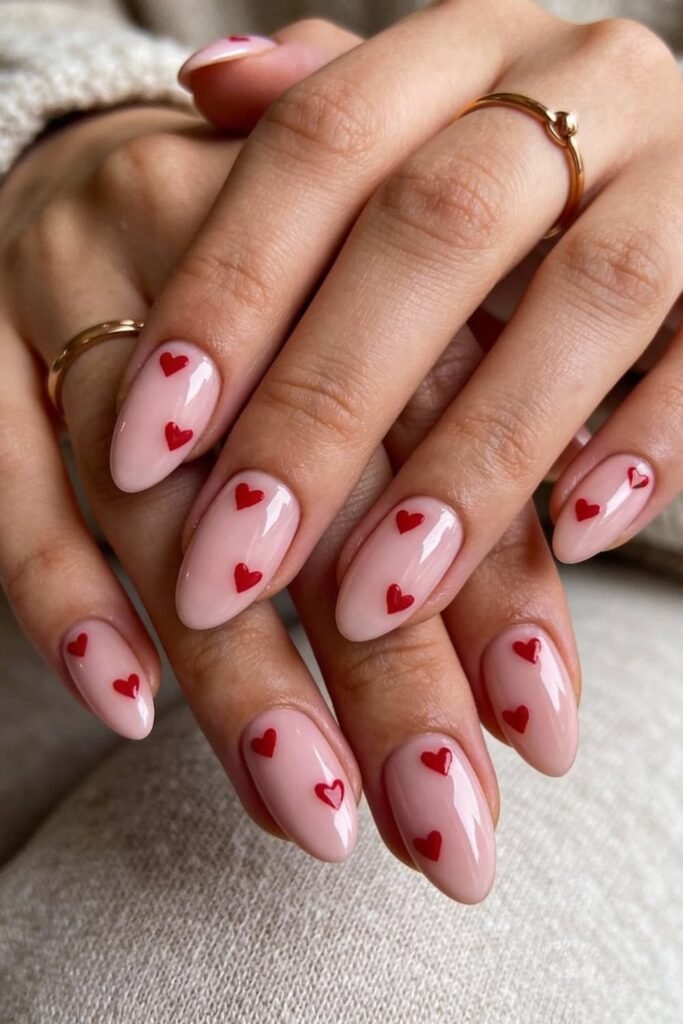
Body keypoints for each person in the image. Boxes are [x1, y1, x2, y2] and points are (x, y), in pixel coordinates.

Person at [0, 1, 681, 1020]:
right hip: (51, 410)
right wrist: (55, 145)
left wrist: (618, 330)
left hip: (622, 571)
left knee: (305, 965)